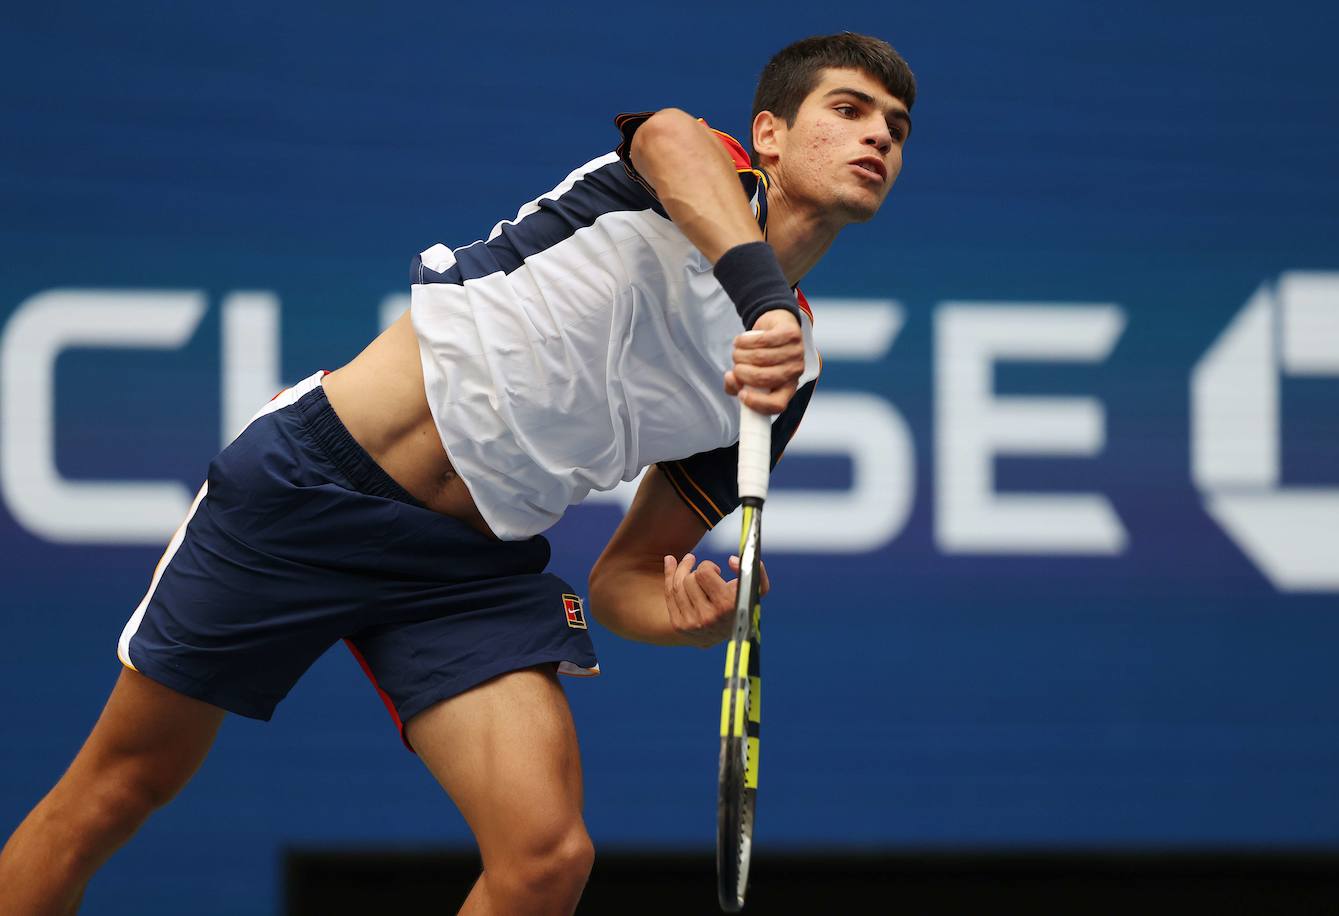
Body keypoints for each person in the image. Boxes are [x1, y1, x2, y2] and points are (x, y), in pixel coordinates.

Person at [0, 32, 914, 915]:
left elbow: (625, 581)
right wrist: (761, 300)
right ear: (768, 133)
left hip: (464, 571)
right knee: (118, 789)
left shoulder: (790, 382)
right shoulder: (692, 167)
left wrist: (694, 621)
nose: (878, 134)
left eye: (897, 127)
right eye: (850, 108)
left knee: (546, 859)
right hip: (314, 485)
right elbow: (666, 135)